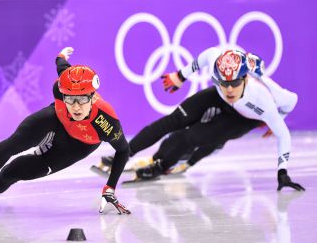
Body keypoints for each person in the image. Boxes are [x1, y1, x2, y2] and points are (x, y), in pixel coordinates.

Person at [0, 47, 131, 214]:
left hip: (76, 145)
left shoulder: (105, 121)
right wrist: (60, 56)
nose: (76, 106)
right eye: (70, 99)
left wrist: (110, 188)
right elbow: (61, 67)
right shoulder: (61, 88)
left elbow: (123, 151)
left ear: (93, 97)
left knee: (14, 171)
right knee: (13, 144)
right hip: (56, 120)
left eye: (82, 100)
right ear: (62, 93)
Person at [99, 47, 304, 191]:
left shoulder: (264, 98)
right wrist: (181, 75)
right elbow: (208, 54)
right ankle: (126, 153)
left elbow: (291, 108)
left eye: (234, 83)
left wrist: (282, 171)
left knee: (191, 137)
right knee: (173, 121)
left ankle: (161, 167)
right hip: (218, 99)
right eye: (224, 82)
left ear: (246, 78)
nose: (230, 89)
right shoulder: (218, 64)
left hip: (243, 118)